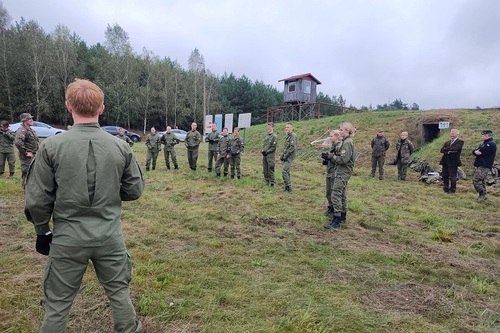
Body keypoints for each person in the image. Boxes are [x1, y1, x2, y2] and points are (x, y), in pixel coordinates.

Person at [24, 79, 144, 333]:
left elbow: (37, 200)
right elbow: (134, 190)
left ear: (69, 106)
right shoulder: (121, 146)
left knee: (57, 304)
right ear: (101, 107)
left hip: (68, 238)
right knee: (119, 294)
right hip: (109, 236)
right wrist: (110, 191)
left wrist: (42, 232)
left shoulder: (52, 146)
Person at [325, 122, 355, 230]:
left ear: (347, 131)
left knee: (336, 193)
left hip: (343, 171)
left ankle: (336, 218)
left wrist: (331, 157)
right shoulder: (345, 141)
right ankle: (342, 216)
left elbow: (343, 159)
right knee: (342, 194)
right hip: (342, 170)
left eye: (341, 129)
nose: (340, 131)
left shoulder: (347, 143)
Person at [14, 112, 39, 188]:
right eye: (29, 119)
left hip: (34, 155)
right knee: (27, 172)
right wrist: (26, 153)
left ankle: (31, 188)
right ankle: (26, 189)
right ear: (24, 120)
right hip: (27, 157)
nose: (32, 120)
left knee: (33, 172)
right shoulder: (22, 130)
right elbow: (18, 143)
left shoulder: (30, 130)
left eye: (32, 118)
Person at [321, 130, 341, 218]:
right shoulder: (333, 146)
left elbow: (339, 160)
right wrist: (326, 159)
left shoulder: (339, 146)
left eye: (331, 136)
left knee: (333, 192)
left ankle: (335, 211)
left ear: (337, 136)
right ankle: (330, 207)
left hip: (335, 172)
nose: (330, 138)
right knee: (328, 192)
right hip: (330, 170)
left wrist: (330, 157)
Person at [472, 130, 497, 200]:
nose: (481, 137)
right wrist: (476, 151)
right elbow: (474, 151)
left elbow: (482, 152)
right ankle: (483, 195)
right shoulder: (484, 143)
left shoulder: (490, 144)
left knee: (476, 179)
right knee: (481, 180)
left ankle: (482, 193)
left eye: (482, 135)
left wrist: (478, 152)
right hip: (480, 164)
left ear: (486, 136)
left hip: (485, 165)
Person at [439, 129, 464, 193]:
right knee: (445, 175)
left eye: (453, 133)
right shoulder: (447, 142)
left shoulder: (460, 142)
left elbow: (456, 148)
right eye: (451, 133)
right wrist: (449, 151)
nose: (451, 135)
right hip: (445, 161)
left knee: (453, 176)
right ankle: (446, 188)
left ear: (457, 134)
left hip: (453, 162)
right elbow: (442, 150)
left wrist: (447, 149)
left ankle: (452, 189)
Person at [280, 123, 297, 192]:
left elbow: (292, 147)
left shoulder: (293, 135)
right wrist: (283, 155)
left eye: (288, 127)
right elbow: (286, 147)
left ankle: (288, 186)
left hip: (290, 156)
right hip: (287, 155)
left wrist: (286, 155)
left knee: (284, 171)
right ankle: (288, 187)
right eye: (286, 127)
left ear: (291, 128)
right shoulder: (288, 136)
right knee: (287, 171)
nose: (286, 129)